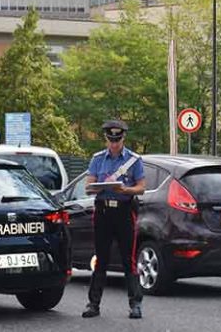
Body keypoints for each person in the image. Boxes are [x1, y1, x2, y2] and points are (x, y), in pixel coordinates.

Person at [82, 120, 145, 320]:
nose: (114, 143)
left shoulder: (134, 160)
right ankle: (93, 304)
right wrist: (99, 186)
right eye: (111, 140)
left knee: (129, 260)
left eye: (117, 140)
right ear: (106, 139)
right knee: (101, 259)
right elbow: (88, 186)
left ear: (123, 138)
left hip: (124, 212)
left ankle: (135, 305)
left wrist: (125, 189)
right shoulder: (98, 159)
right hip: (103, 213)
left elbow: (141, 187)